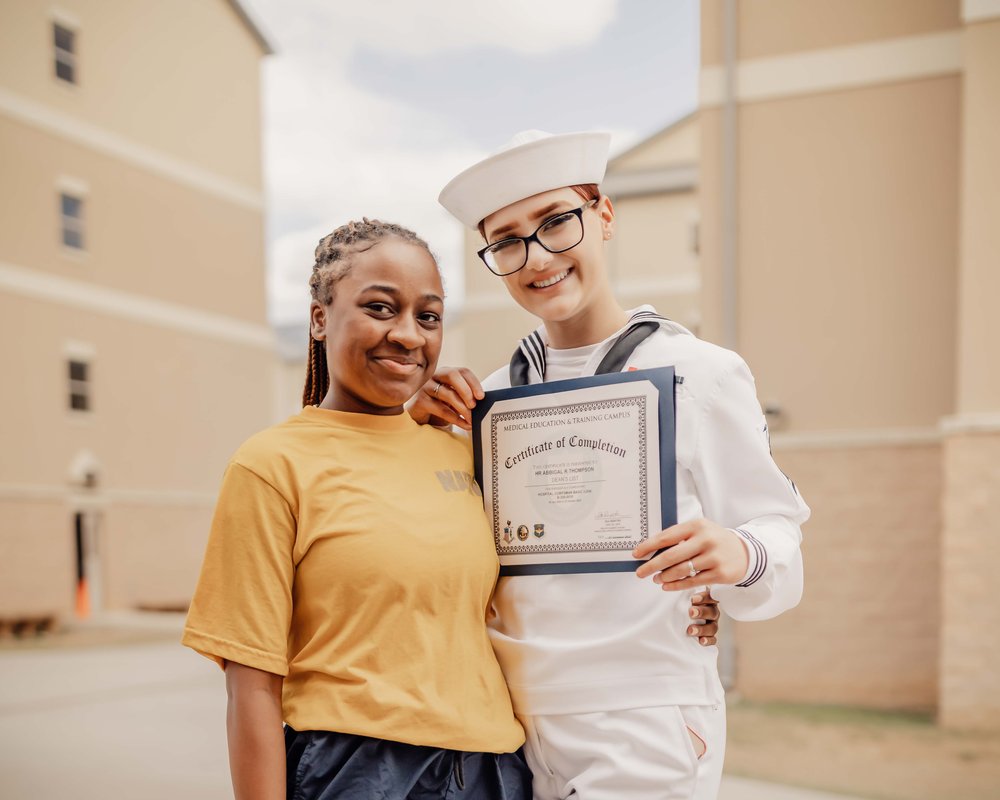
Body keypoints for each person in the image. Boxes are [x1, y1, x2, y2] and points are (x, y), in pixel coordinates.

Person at [411, 130, 810, 800]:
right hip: (503, 726)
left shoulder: (700, 374)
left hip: (642, 720)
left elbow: (780, 539)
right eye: (507, 240)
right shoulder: (486, 397)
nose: (536, 256)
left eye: (555, 223)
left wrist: (736, 553)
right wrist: (414, 430)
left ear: (604, 216)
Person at [181, 219, 533, 800]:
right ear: (319, 318)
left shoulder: (467, 454)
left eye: (428, 316)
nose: (409, 335)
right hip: (355, 771)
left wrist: (702, 591)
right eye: (379, 308)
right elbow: (252, 687)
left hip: (494, 770)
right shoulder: (272, 465)